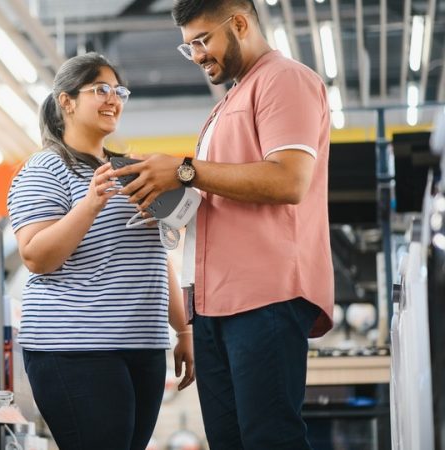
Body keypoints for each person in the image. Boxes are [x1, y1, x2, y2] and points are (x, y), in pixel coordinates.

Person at [109, 1, 334, 449]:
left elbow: (289, 180)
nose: (196, 55)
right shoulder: (230, 100)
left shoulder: (284, 80)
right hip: (214, 305)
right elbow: (222, 193)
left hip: (265, 296)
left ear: (239, 23)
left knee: (270, 438)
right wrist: (165, 197)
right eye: (187, 45)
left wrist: (185, 171)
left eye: (202, 40)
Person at [6, 52, 195, 450]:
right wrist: (89, 205)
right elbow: (37, 257)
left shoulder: (129, 170)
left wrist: (184, 329)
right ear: (66, 101)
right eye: (101, 89)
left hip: (141, 346)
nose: (114, 99)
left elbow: (155, 257)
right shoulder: (44, 169)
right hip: (75, 348)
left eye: (119, 90)